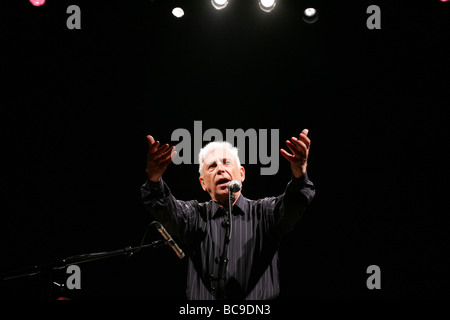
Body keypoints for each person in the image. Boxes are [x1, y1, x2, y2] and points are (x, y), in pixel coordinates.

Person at [141, 129, 315, 300]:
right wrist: (154, 179)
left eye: (226, 163)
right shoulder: (193, 216)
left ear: (241, 174)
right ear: (203, 183)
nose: (220, 169)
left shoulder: (265, 212)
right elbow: (165, 208)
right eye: (212, 166)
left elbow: (294, 204)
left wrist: (299, 174)